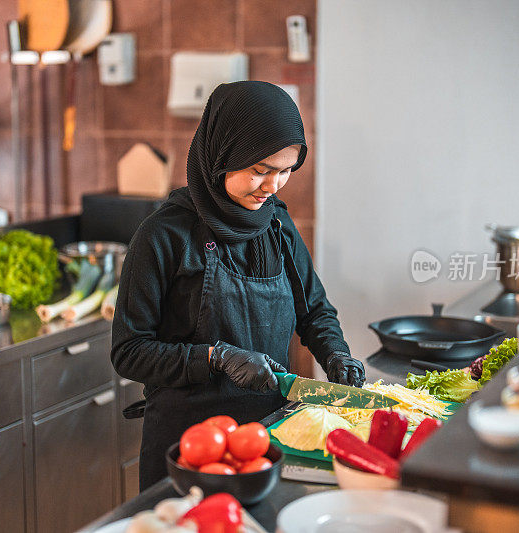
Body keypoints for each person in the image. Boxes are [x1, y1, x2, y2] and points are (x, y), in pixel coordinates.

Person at [111, 80, 365, 489]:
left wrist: (335, 353)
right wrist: (215, 357)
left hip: (267, 437)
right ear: (220, 156)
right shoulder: (163, 235)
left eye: (284, 172)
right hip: (187, 447)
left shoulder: (277, 224)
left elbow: (314, 310)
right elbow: (129, 351)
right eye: (260, 171)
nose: (272, 186)